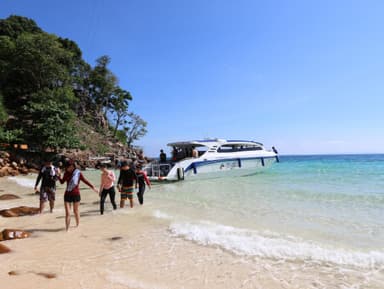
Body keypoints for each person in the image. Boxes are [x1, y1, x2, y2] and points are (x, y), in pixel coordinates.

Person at [58, 160, 98, 231]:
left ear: (72, 166)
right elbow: (62, 182)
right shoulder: (66, 173)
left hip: (76, 194)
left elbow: (85, 181)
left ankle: (77, 226)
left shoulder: (78, 173)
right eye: (66, 167)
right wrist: (58, 176)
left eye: (68, 167)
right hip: (67, 194)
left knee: (75, 211)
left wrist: (93, 187)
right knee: (67, 213)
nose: (67, 169)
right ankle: (67, 230)